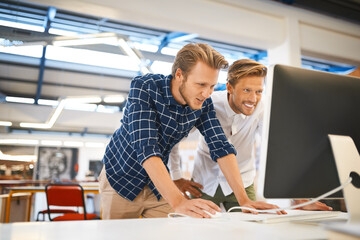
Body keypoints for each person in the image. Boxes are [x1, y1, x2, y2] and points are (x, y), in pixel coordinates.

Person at [99, 43, 284, 220]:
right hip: (121, 180)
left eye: (211, 86)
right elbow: (147, 148)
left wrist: (245, 200)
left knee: (176, 232)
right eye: (201, 84)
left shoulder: (203, 104)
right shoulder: (145, 87)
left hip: (159, 187)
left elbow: (221, 147)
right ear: (179, 74)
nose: (207, 93)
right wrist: (178, 200)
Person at [169, 59, 332, 212]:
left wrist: (297, 197)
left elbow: (276, 150)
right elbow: (175, 138)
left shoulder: (262, 108)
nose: (253, 99)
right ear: (229, 87)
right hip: (204, 182)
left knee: (247, 231)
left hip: (243, 183)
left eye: (259, 91)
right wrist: (176, 176)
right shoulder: (208, 103)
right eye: (247, 90)